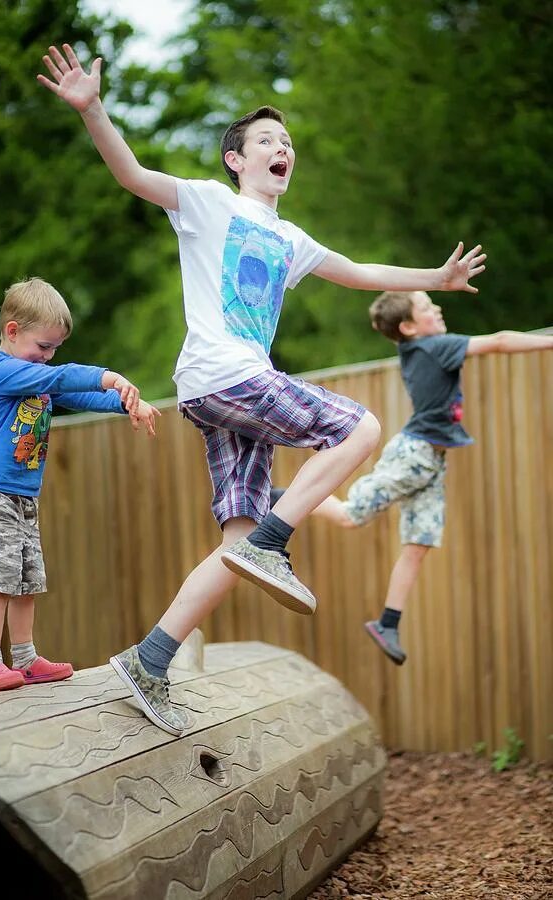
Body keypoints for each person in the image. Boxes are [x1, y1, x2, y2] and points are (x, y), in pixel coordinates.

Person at [37, 43, 486, 734]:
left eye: (288, 143)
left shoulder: (291, 238)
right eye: (268, 141)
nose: (284, 149)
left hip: (222, 394)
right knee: (360, 428)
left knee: (234, 536)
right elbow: (130, 174)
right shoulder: (210, 204)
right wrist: (92, 108)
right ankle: (271, 541)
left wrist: (435, 277)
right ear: (236, 159)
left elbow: (362, 271)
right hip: (227, 375)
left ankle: (150, 657)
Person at [276, 290, 553, 665]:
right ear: (408, 327)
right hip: (413, 455)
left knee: (419, 543)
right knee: (349, 516)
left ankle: (388, 622)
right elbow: (500, 341)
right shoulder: (433, 346)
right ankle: (278, 498)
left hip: (433, 460)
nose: (436, 308)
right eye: (426, 307)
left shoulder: (419, 348)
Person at [0, 277, 159, 692]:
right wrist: (108, 376)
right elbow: (65, 380)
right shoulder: (4, 372)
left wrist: (127, 404)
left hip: (22, 496)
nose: (47, 358)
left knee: (27, 580)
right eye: (43, 347)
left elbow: (78, 396)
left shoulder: (34, 373)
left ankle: (27, 659)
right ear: (13, 332)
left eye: (54, 350)